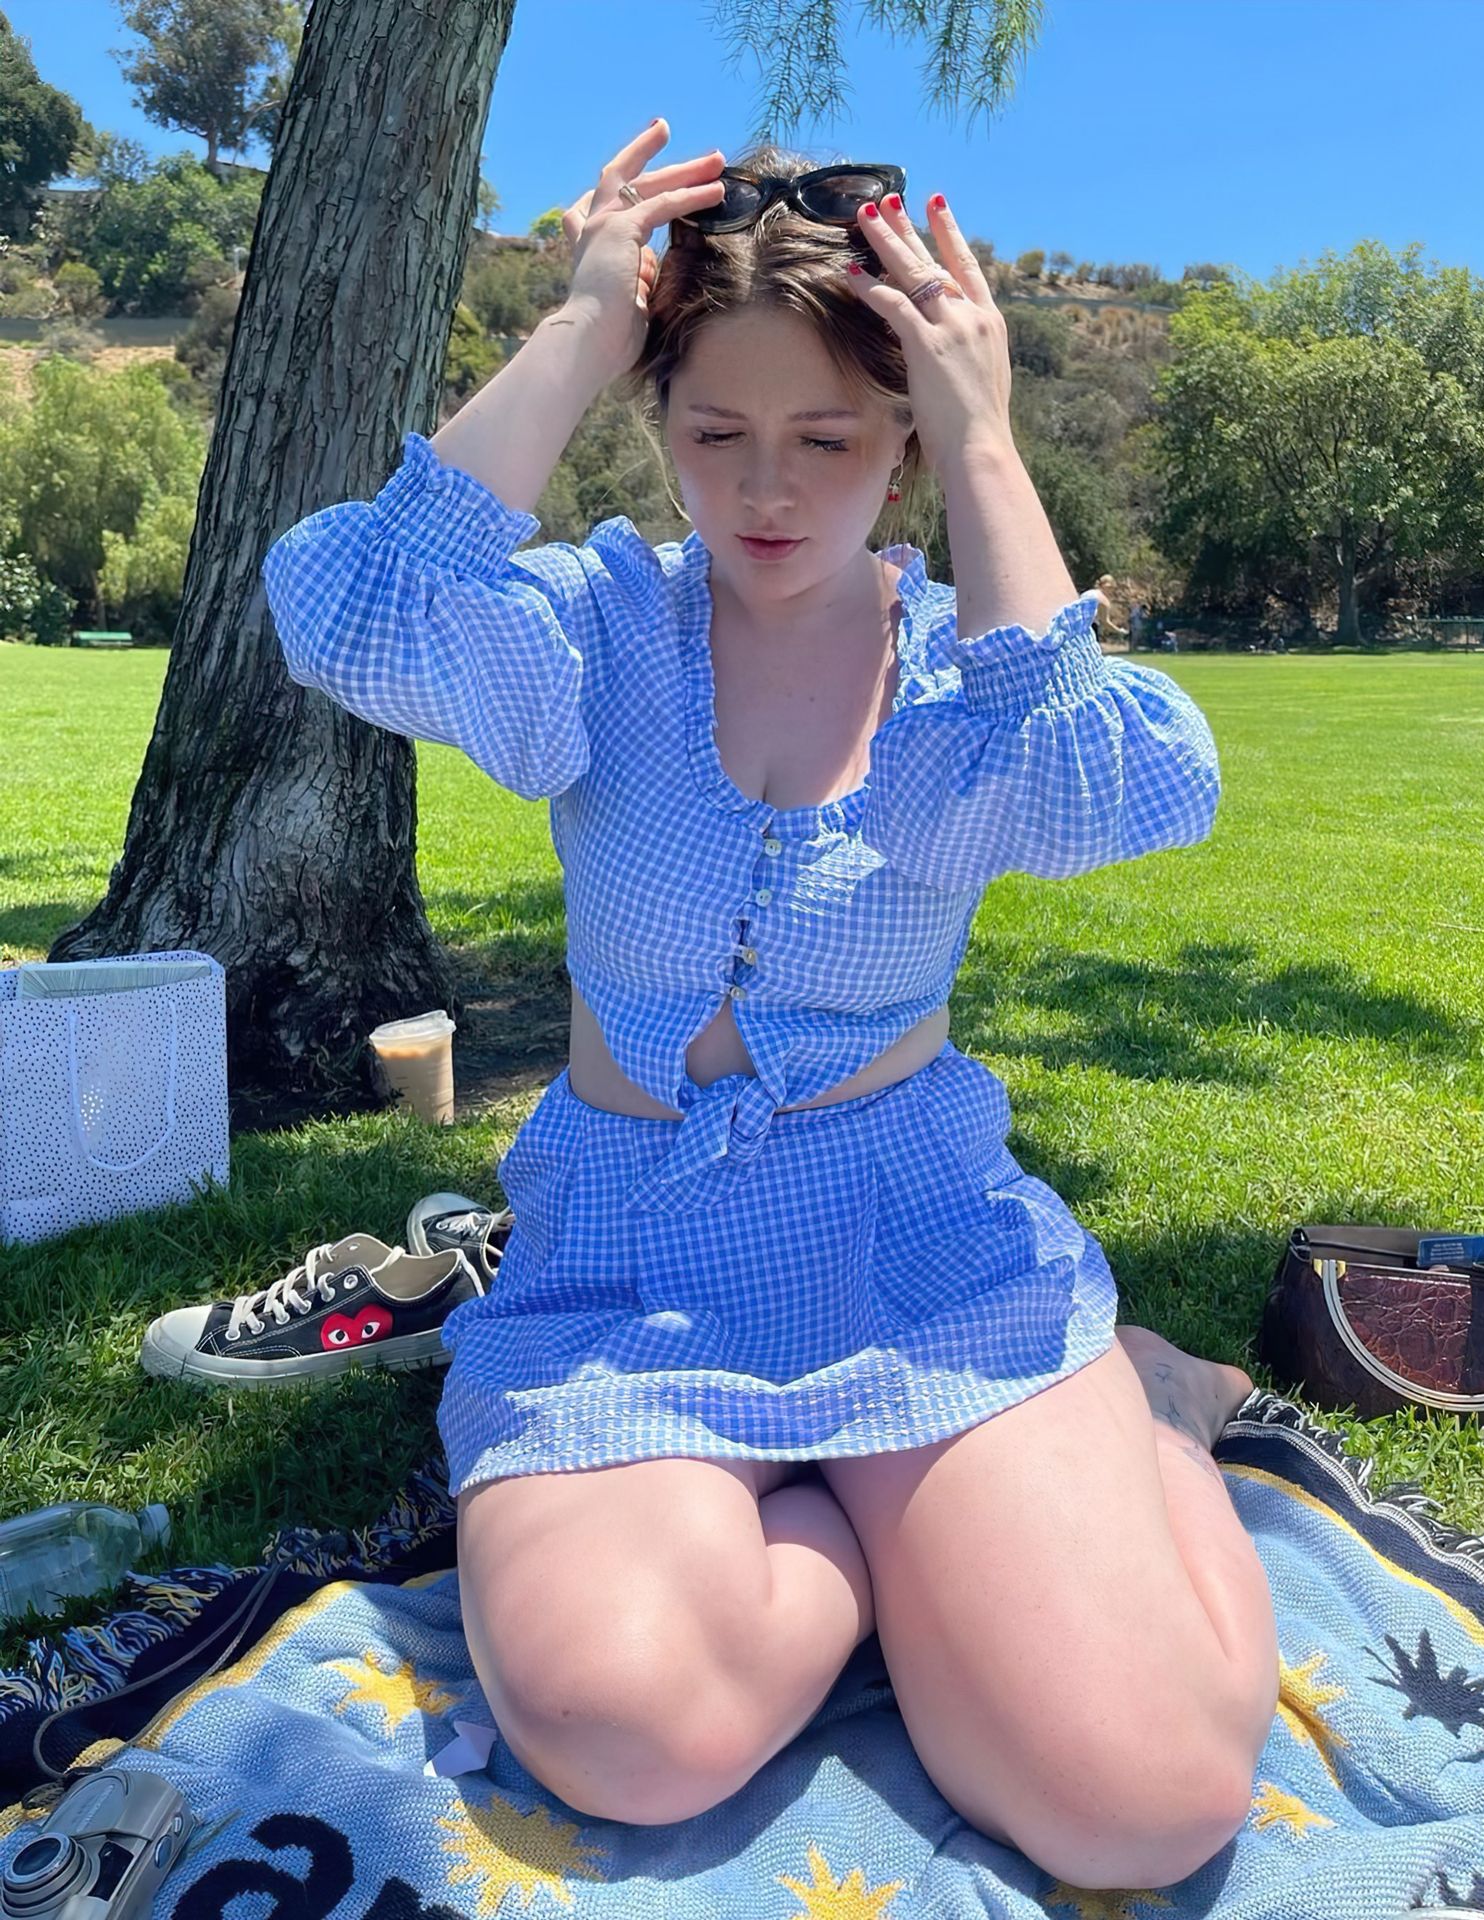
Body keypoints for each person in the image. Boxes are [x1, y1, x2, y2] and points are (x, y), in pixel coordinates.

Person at [262, 120, 1277, 1891]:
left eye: (831, 437)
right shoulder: (601, 632)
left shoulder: (971, 677)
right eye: (714, 432)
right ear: (655, 420)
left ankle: (1147, 1410)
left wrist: (985, 433)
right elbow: (347, 609)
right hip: (630, 1261)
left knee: (1146, 1803)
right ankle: (903, 1544)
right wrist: (583, 325)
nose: (768, 491)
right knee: (622, 1735)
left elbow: (1124, 788)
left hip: (916, 1247)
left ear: (903, 436)